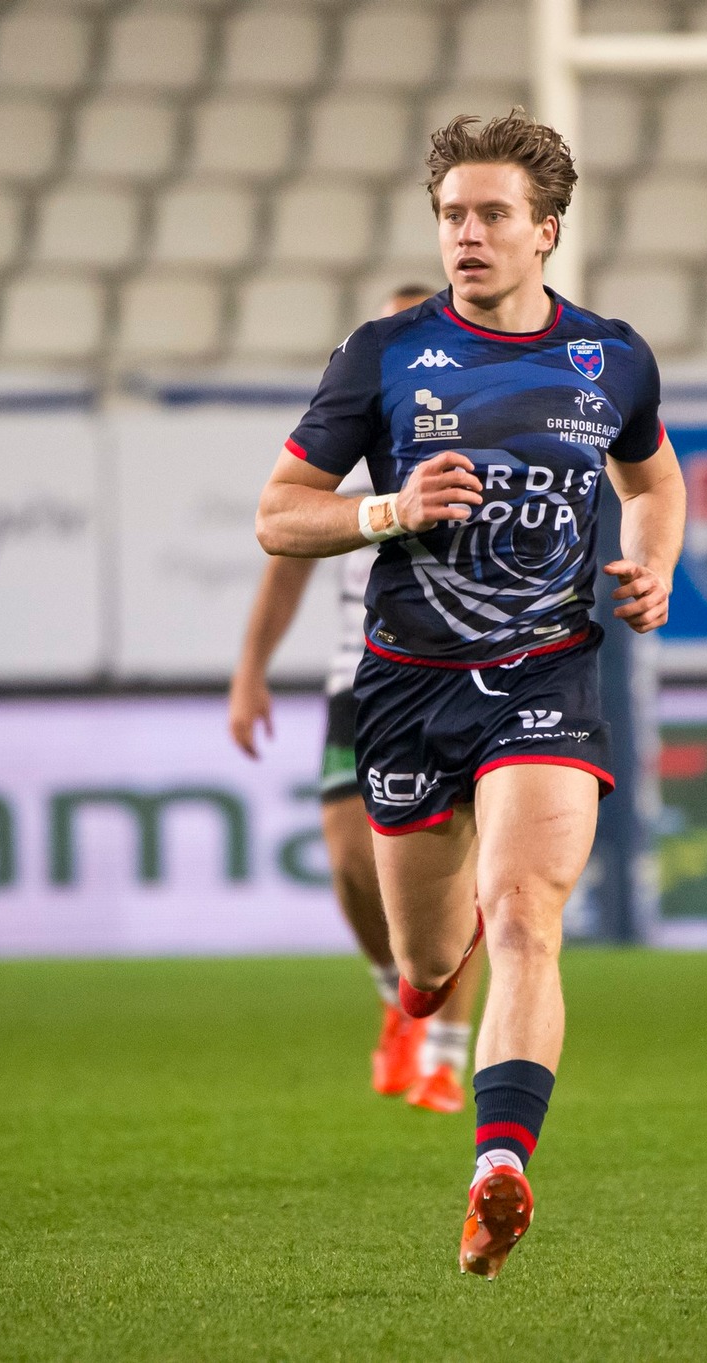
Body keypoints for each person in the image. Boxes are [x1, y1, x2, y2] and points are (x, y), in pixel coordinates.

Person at [252, 109, 686, 1278]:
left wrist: (654, 561)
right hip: (404, 688)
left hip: (547, 670)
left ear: (545, 231)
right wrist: (386, 509)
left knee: (526, 916)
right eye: (452, 216)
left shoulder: (611, 356)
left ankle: (499, 1164)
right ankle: (425, 996)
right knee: (429, 957)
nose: (468, 235)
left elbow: (652, 476)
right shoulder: (382, 353)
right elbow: (278, 515)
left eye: (493, 215)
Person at [230, 284, 487, 1117]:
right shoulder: (353, 456)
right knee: (349, 859)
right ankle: (397, 996)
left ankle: (447, 1056)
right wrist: (251, 670)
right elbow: (284, 558)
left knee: (467, 874)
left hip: (473, 671)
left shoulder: (481, 443)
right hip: (363, 675)